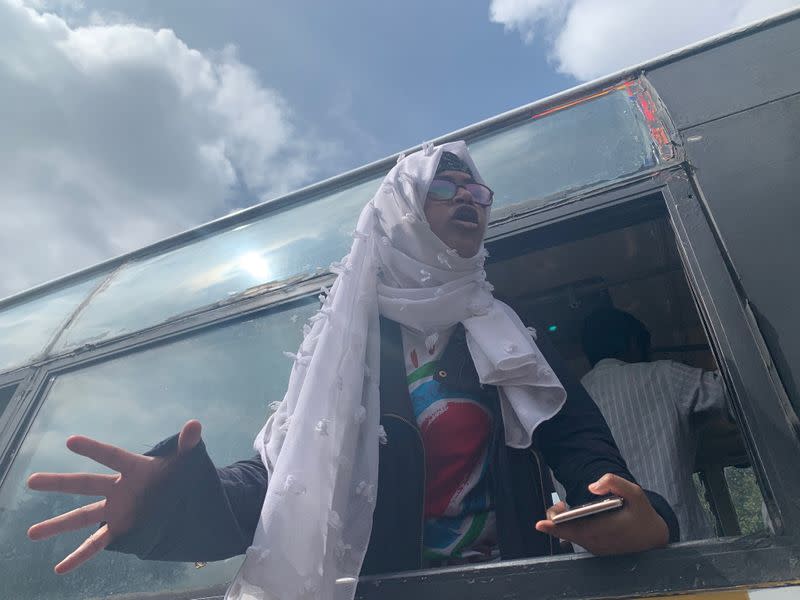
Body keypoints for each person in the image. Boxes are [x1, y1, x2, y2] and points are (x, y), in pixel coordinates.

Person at [27, 143, 678, 600]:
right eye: (443, 188)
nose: (469, 200)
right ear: (398, 213)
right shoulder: (343, 344)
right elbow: (281, 482)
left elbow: (590, 461)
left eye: (476, 189)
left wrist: (640, 519)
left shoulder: (512, 338)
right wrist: (167, 500)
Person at [580, 308, 728, 541]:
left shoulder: (565, 406)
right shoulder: (665, 376)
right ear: (633, 344)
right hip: (684, 548)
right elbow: (731, 393)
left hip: (600, 564)